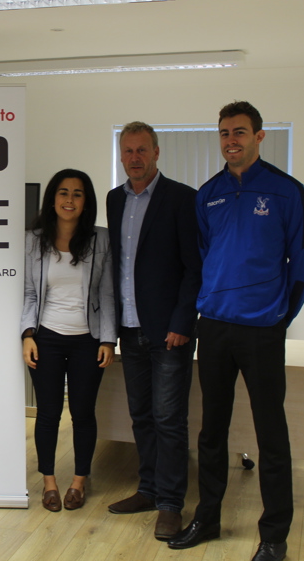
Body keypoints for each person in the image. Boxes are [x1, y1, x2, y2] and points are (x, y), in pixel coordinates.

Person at [168, 102, 304, 561]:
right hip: (213, 328)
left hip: (262, 331)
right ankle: (207, 518)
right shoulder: (207, 194)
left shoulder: (287, 192)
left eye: (239, 132)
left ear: (259, 136)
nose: (230, 140)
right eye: (223, 134)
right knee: (211, 432)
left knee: (271, 436)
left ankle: (274, 537)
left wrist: (280, 317)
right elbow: (204, 257)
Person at [105, 122, 201, 540]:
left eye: (142, 149)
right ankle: (147, 489)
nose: (135, 157)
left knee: (168, 419)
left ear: (157, 153)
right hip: (129, 327)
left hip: (168, 333)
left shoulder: (182, 199)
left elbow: (194, 269)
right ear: (121, 156)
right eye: (128, 151)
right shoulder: (112, 200)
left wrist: (183, 322)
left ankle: (170, 504)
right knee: (141, 416)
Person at [21, 168, 116, 513]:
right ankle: (49, 481)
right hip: (46, 338)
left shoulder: (100, 239)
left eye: (77, 193)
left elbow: (107, 294)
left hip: (87, 340)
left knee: (83, 413)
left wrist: (108, 340)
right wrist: (27, 334)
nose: (69, 200)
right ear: (52, 199)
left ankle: (79, 481)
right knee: (47, 414)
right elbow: (29, 293)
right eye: (63, 192)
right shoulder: (33, 240)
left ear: (86, 200)